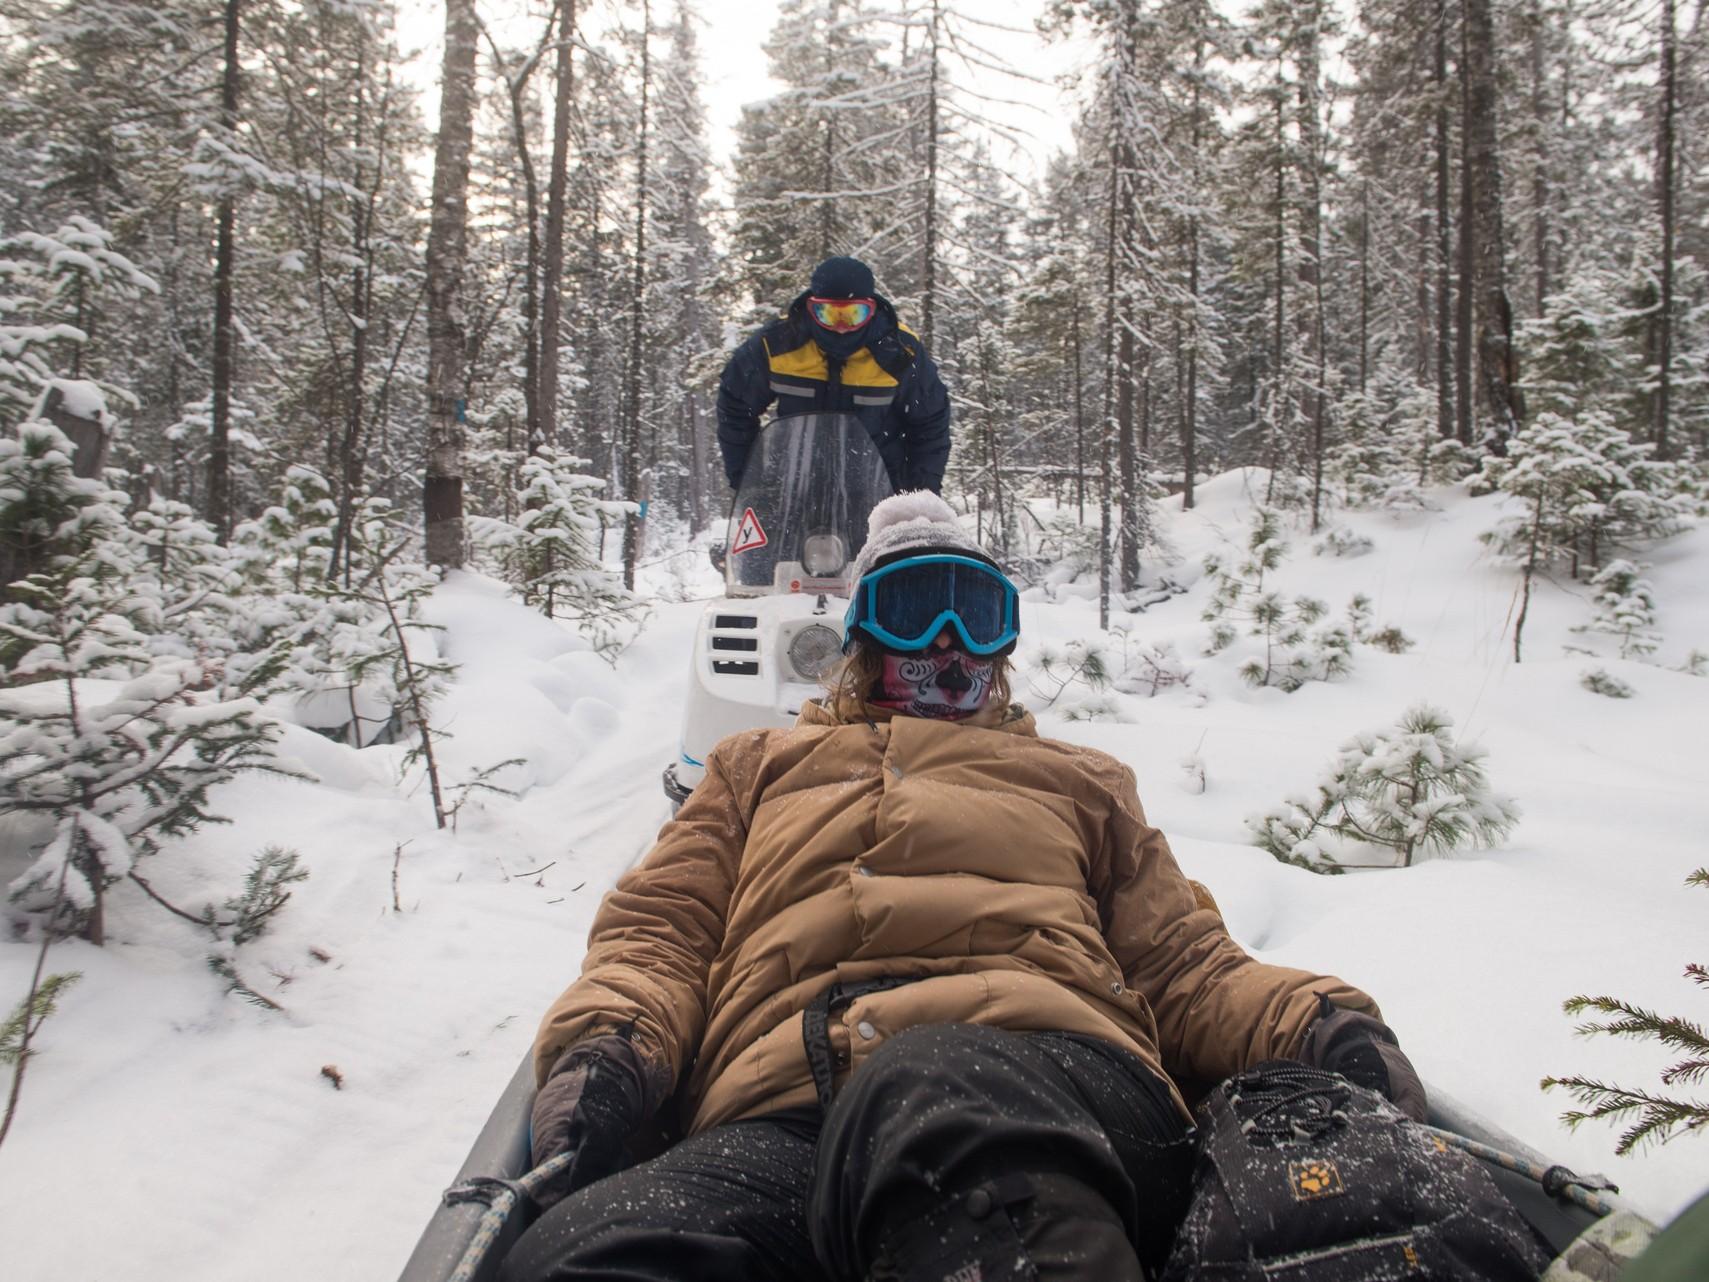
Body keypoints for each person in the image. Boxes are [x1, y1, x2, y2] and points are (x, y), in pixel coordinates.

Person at [501, 492, 1426, 1282]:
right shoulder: (756, 767)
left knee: (931, 1078)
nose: (946, 646)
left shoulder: (1078, 780)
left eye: (973, 615)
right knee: (592, 1245)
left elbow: (1183, 962)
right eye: (913, 611)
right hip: (787, 1118)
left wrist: (1317, 1020)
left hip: (1062, 1091)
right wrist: (609, 1047)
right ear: (861, 635)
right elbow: (661, 933)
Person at [716, 256, 952, 495]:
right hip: (793, 491)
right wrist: (749, 482)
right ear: (811, 308)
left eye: (854, 314)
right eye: (828, 313)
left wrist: (920, 493)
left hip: (878, 494)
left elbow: (930, 421)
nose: (841, 325)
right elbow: (735, 404)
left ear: (872, 309)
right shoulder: (777, 344)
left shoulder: (899, 352)